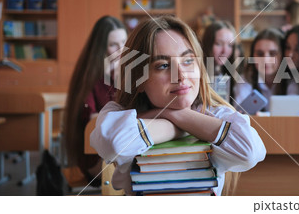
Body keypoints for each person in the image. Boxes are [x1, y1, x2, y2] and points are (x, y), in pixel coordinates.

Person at [90, 15, 266, 195]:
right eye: (163, 65)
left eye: (188, 61)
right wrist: (181, 125)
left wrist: (176, 115)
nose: (181, 76)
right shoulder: (118, 114)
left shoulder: (215, 113)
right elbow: (116, 144)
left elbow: (249, 151)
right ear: (139, 79)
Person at [63, 16, 127, 186]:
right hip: (94, 156)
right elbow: (90, 119)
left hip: (119, 146)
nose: (121, 50)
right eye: (113, 44)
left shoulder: (127, 71)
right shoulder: (89, 75)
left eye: (124, 42)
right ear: (100, 48)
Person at [234, 28, 285, 112]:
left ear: (282, 55)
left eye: (272, 54)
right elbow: (240, 115)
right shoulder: (245, 79)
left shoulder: (291, 81)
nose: (265, 59)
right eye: (260, 54)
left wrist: (264, 116)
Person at [201, 20, 240, 104]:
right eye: (218, 44)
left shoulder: (226, 73)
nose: (225, 51)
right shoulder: (196, 74)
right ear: (207, 44)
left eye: (230, 45)